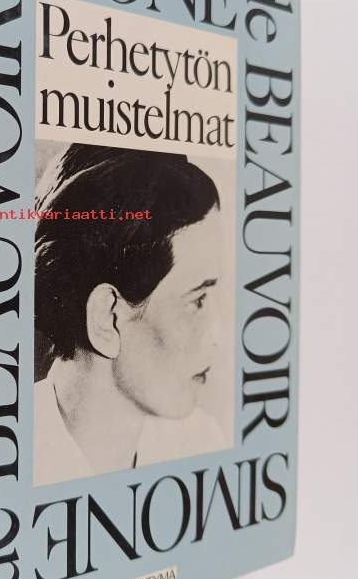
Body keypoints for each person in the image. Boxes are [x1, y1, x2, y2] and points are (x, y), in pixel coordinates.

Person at [33, 143, 225, 485]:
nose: (217, 335)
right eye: (197, 300)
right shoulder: (6, 457)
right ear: (107, 319)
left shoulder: (200, 444)